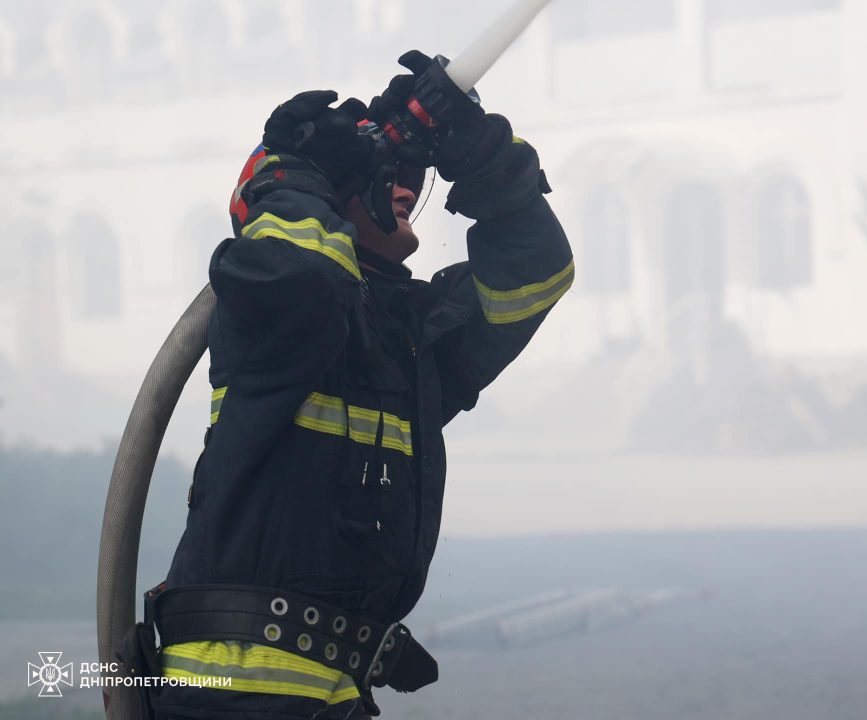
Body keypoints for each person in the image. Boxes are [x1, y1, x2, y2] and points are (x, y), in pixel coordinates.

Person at [146, 51, 574, 719]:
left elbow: (536, 276)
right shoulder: (271, 311)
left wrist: (485, 161)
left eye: (410, 181)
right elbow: (303, 275)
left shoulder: (410, 335)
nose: (405, 192)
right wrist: (294, 172)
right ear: (324, 205)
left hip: (326, 694)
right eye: (383, 180)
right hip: (235, 694)